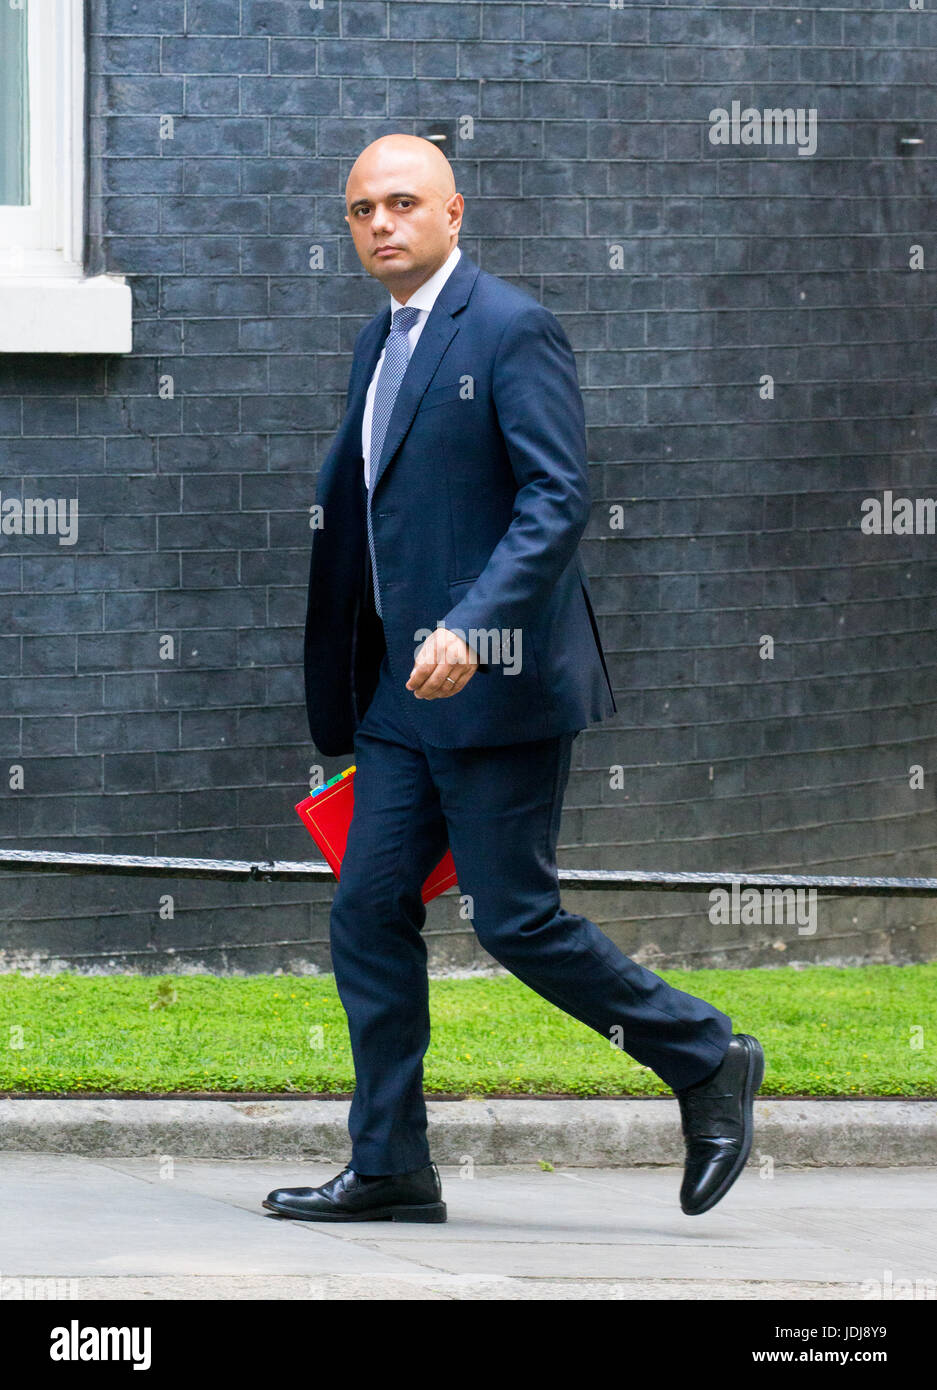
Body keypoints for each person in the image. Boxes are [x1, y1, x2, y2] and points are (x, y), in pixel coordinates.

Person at [263, 135, 764, 1226]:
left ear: (454, 213)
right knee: (367, 907)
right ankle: (390, 1162)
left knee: (514, 917)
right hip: (400, 694)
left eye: (402, 203)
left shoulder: (510, 327)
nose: (380, 224)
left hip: (497, 682)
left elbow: (555, 500)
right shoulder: (375, 344)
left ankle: (704, 1054)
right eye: (360, 210)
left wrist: (473, 627)